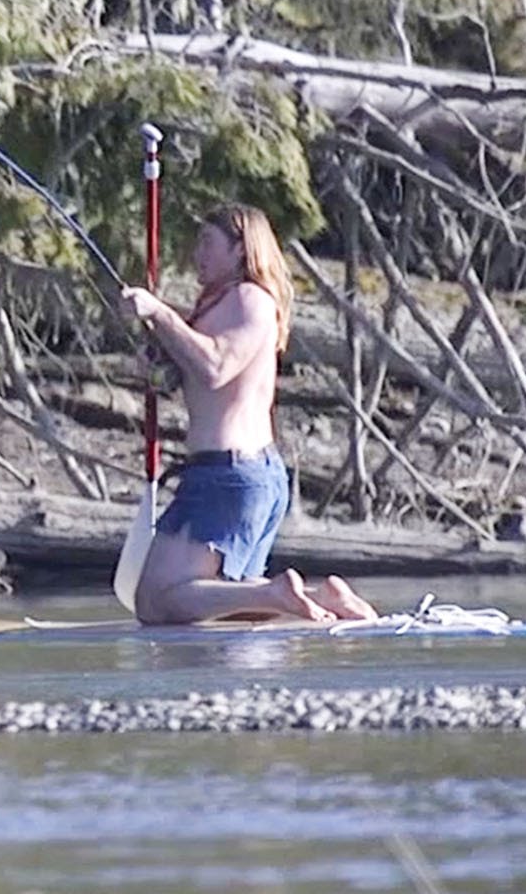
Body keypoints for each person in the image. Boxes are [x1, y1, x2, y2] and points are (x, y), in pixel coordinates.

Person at [118, 203, 377, 625]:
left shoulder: (250, 298)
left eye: (208, 242)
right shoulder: (218, 305)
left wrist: (160, 312)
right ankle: (322, 597)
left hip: (228, 475)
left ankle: (277, 594)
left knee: (155, 601)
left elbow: (217, 368)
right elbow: (197, 379)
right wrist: (158, 361)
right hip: (234, 475)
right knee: (228, 605)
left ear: (240, 249)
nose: (197, 253)